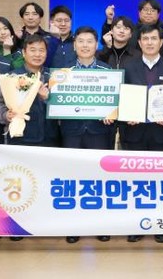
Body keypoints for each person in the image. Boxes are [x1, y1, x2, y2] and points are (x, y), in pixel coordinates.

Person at [119, 23, 163, 244]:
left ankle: (160, 224)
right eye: (145, 39)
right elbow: (122, 97)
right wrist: (126, 114)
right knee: (137, 181)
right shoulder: (128, 67)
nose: (150, 42)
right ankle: (137, 224)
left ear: (161, 42)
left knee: (160, 181)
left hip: (161, 133)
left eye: (154, 38)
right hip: (134, 132)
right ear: (139, 42)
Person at [60, 27, 115, 244]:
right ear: (74, 45)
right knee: (72, 179)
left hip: (99, 132)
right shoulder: (63, 72)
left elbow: (115, 101)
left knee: (98, 179)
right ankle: (74, 225)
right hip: (71, 133)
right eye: (81, 41)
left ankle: (100, 224)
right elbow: (57, 102)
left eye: (89, 41)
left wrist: (112, 113)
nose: (85, 45)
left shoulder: (107, 71)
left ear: (96, 45)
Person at [0, 34, 55, 147]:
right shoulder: (11, 77)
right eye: (33, 50)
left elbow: (61, 106)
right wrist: (5, 115)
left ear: (46, 53)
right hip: (19, 137)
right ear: (23, 52)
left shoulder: (53, 76)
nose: (37, 54)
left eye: (41, 50)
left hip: (50, 138)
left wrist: (47, 99)